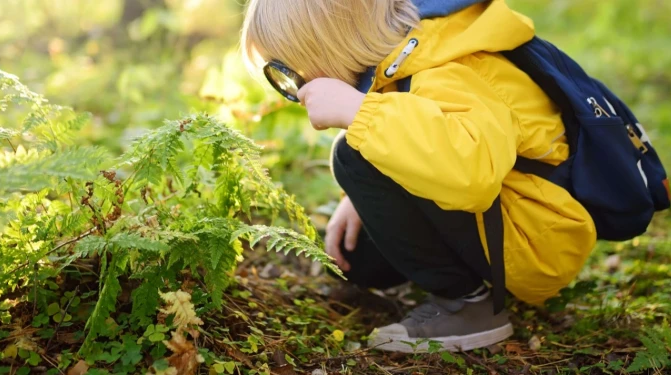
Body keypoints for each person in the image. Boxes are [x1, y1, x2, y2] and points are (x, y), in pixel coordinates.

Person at [239, 0, 597, 353]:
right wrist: (364, 197)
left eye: (292, 74)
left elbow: (472, 176)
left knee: (350, 153)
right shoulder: (403, 59)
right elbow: (423, 135)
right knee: (357, 259)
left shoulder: (447, 65)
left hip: (535, 236)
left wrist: (360, 113)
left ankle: (467, 305)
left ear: (329, 45)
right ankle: (447, 280)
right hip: (508, 217)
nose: (297, 91)